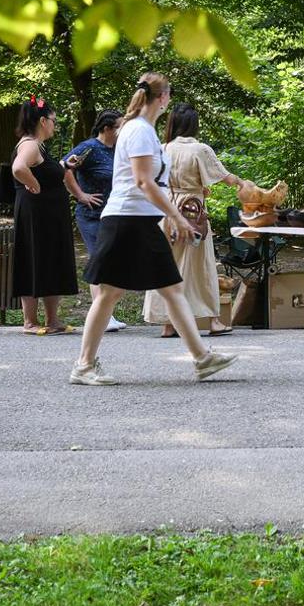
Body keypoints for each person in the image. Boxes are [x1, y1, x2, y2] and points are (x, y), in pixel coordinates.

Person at [71, 73, 237, 386]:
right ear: (161, 98)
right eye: (168, 95)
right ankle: (83, 365)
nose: (169, 101)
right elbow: (144, 181)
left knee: (172, 288)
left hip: (140, 220)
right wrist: (176, 216)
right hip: (125, 220)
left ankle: (202, 359)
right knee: (109, 293)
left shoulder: (142, 130)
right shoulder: (139, 131)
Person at [146, 102, 255, 337]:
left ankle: (168, 323)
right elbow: (224, 176)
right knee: (200, 267)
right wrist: (241, 183)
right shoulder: (200, 149)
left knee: (167, 266)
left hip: (166, 212)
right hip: (192, 214)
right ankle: (213, 321)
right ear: (194, 124)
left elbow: (155, 180)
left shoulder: (162, 148)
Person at [10, 97, 79, 335]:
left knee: (50, 260)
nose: (54, 125)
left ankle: (53, 320)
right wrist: (33, 184)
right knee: (33, 259)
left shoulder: (39, 147)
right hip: (36, 216)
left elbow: (43, 168)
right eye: (53, 120)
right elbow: (19, 167)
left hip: (49, 216)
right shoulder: (29, 144)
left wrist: (62, 165)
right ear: (42, 121)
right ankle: (29, 321)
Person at [63, 109, 126, 332]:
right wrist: (80, 195)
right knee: (99, 261)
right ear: (107, 128)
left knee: (112, 263)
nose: (123, 130)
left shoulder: (118, 149)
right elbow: (65, 168)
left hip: (113, 215)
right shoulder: (88, 148)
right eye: (120, 126)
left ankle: (107, 313)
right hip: (91, 216)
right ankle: (102, 317)